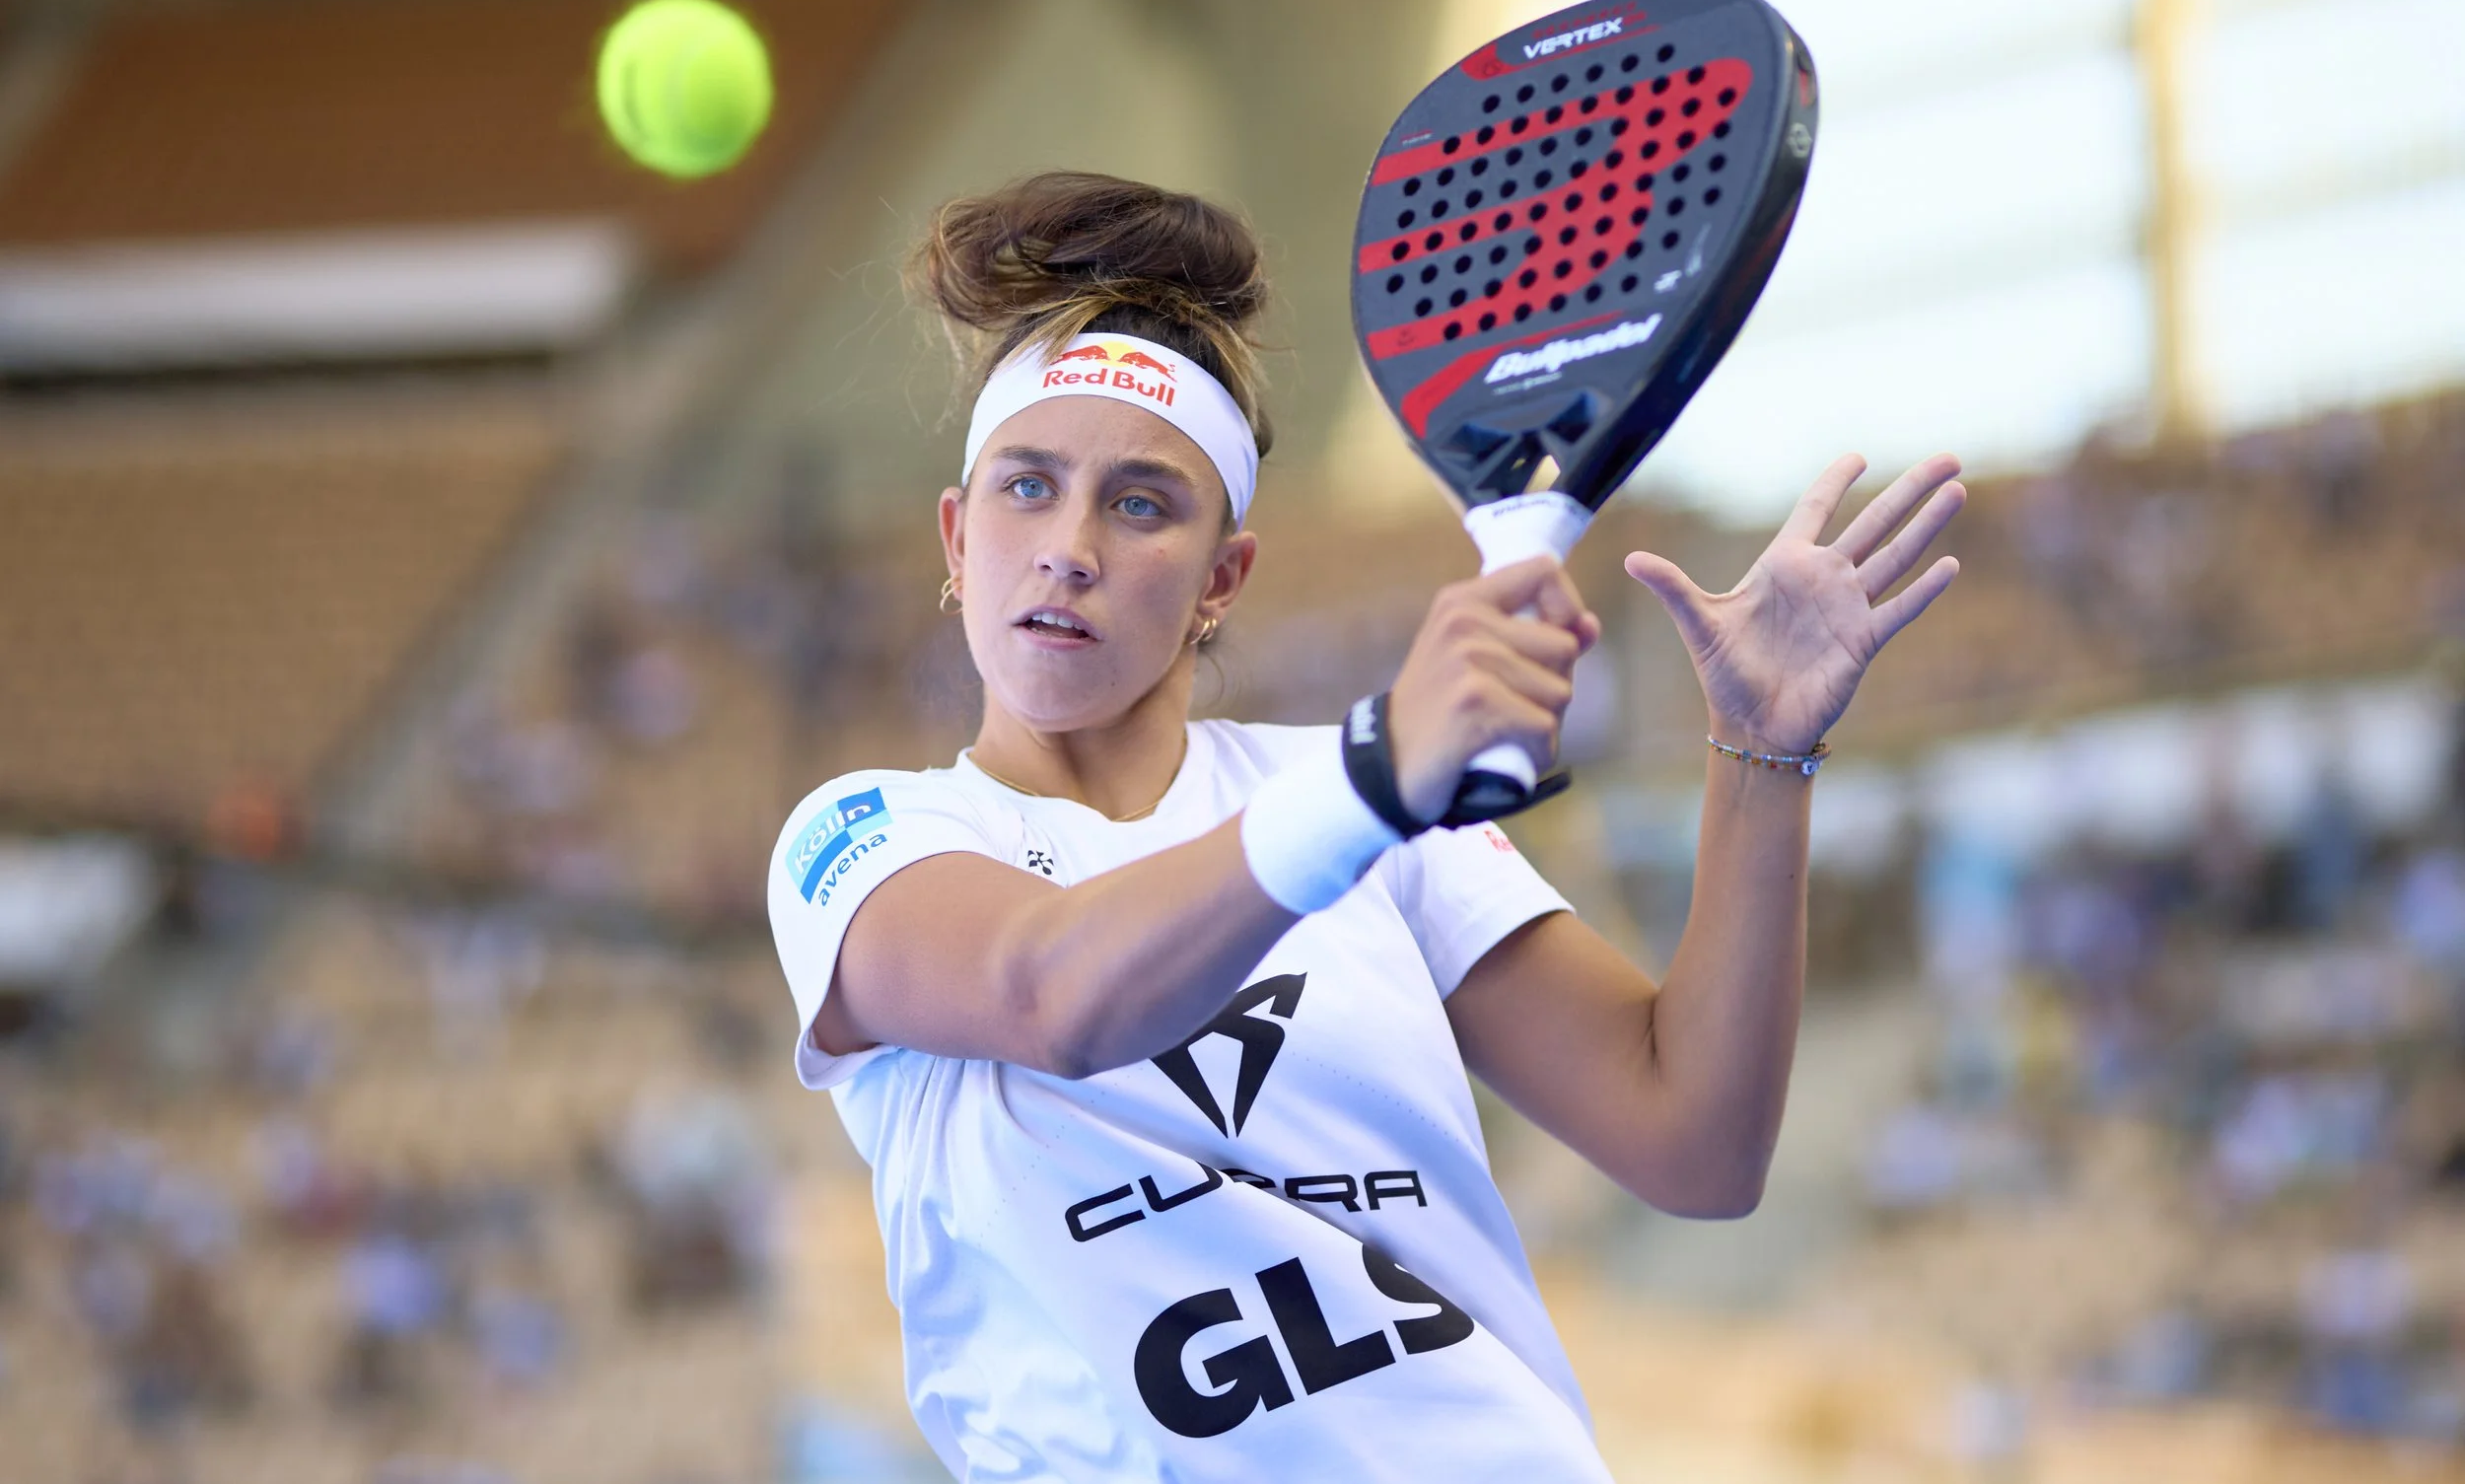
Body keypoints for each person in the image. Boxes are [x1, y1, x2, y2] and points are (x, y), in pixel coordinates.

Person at [767, 172, 1964, 1479]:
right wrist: (1377, 775)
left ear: (1223, 580)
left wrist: (1764, 747)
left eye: (1142, 501)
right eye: (1026, 486)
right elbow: (1051, 991)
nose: (1067, 546)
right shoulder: (867, 838)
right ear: (956, 535)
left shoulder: (1383, 812)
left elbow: (1698, 1143)